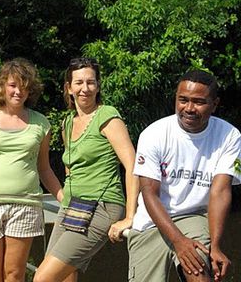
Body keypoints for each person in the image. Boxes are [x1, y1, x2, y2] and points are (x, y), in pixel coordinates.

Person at [128, 69, 241, 282]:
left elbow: (220, 191)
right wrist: (178, 242)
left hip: (194, 216)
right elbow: (149, 194)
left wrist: (215, 246)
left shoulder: (230, 136)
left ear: (214, 104)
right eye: (183, 100)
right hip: (151, 221)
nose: (189, 108)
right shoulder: (154, 134)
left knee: (197, 269)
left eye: (199, 102)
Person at [34, 57, 139, 282]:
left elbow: (132, 164)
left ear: (98, 86)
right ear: (69, 88)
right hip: (72, 206)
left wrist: (130, 216)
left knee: (43, 278)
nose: (85, 88)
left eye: (91, 82)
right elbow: (70, 169)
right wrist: (64, 199)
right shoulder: (67, 123)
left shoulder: (107, 116)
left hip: (101, 205)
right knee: (65, 276)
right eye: (79, 83)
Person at [0, 57, 63, 282]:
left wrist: (63, 197)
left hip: (26, 207)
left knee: (15, 275)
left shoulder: (41, 124)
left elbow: (45, 169)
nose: (18, 92)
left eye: (24, 87)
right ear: (1, 86)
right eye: (13, 85)